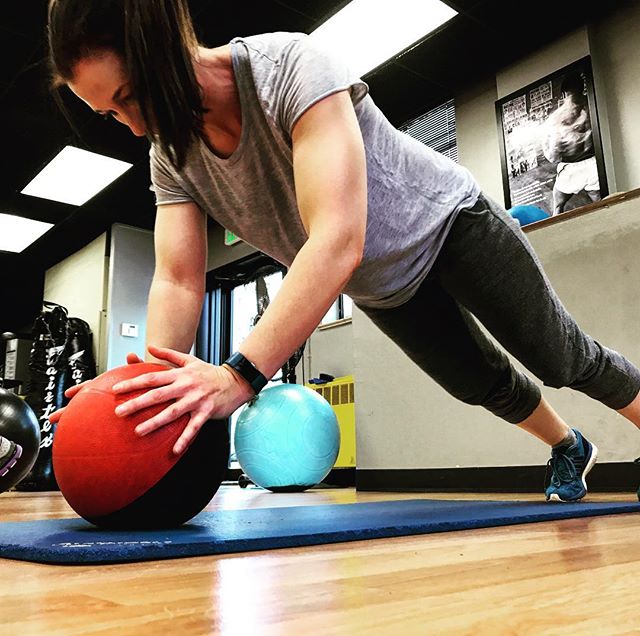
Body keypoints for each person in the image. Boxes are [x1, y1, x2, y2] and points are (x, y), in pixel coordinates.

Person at [47, 0, 640, 503]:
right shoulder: (169, 155)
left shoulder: (290, 68)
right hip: (384, 285)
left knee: (562, 358)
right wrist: (143, 390)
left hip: (449, 223)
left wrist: (239, 375)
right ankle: (569, 445)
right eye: (109, 113)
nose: (129, 125)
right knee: (480, 384)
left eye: (128, 97)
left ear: (157, 50)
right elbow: (177, 280)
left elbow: (336, 237)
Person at [541, 72, 602, 215]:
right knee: (601, 204)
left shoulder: (556, 118)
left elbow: (552, 155)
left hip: (571, 170)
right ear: (581, 88)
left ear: (563, 93)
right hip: (593, 164)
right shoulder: (592, 105)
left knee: (557, 206)